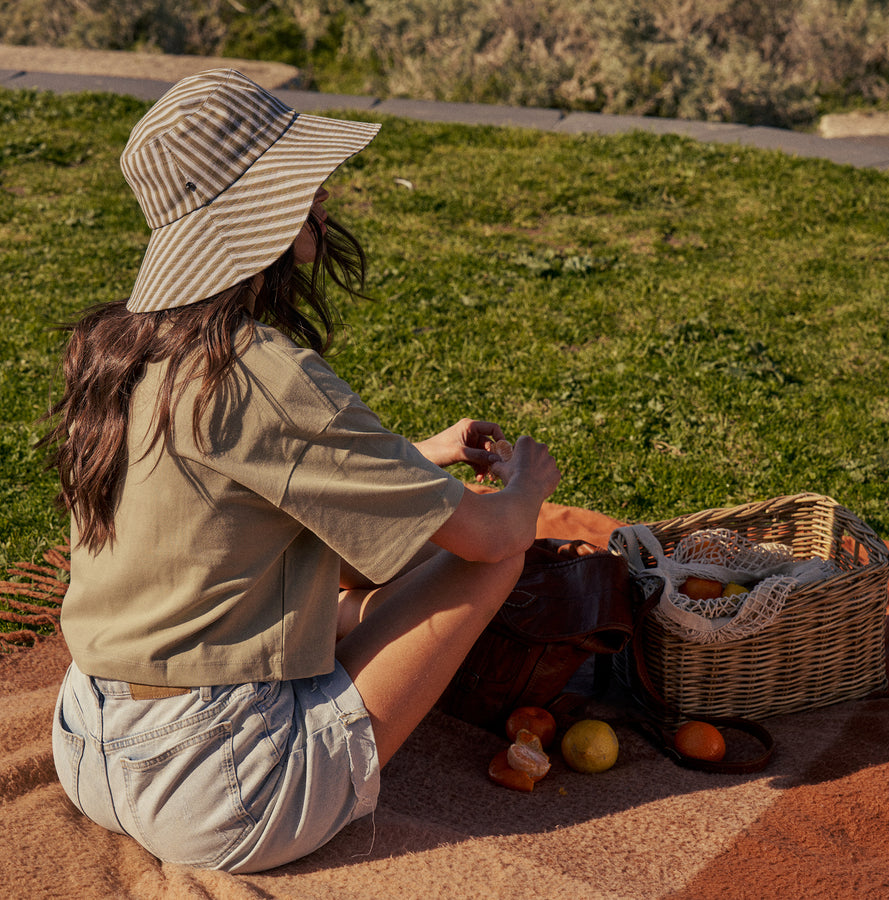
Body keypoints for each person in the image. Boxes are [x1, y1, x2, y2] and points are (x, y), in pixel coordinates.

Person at [44, 68, 559, 873]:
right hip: (219, 788)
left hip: (87, 739)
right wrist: (528, 487)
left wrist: (417, 459)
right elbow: (488, 537)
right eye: (301, 177)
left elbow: (227, 489)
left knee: (356, 580)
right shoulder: (258, 373)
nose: (323, 192)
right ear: (255, 209)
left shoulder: (122, 348)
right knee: (498, 556)